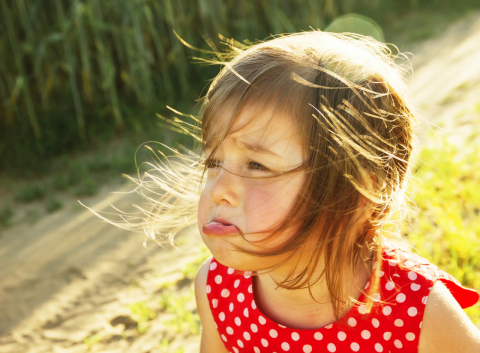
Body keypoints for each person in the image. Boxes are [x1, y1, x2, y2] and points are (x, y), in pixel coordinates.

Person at [99, 31, 480, 352]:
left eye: (257, 166)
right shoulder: (218, 291)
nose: (219, 190)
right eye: (213, 162)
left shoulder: (418, 310)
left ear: (359, 188)